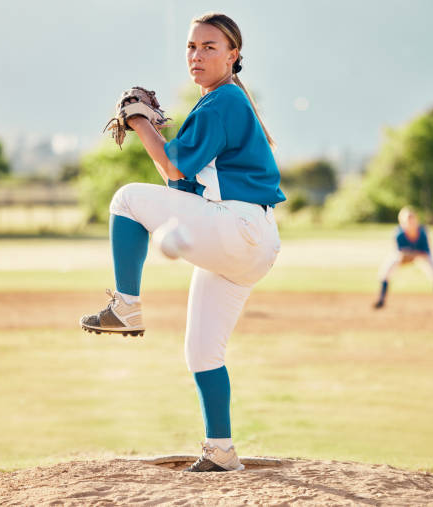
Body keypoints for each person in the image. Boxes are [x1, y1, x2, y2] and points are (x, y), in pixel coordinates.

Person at [80, 12, 285, 472]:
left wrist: (140, 124)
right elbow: (178, 182)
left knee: (126, 198)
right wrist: (147, 130)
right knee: (201, 350)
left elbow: (171, 167)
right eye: (191, 47)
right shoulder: (216, 104)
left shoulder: (224, 100)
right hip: (247, 242)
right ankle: (221, 450)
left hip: (239, 227)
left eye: (210, 47)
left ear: (233, 55)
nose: (197, 55)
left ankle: (126, 305)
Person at [373, 206, 433, 315]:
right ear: (401, 222)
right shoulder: (398, 234)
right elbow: (400, 255)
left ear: (416, 220)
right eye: (407, 219)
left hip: (421, 256)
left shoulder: (422, 233)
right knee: (386, 270)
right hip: (405, 257)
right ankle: (381, 300)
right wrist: (410, 255)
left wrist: (411, 255)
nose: (410, 221)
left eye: (411, 218)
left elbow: (426, 253)